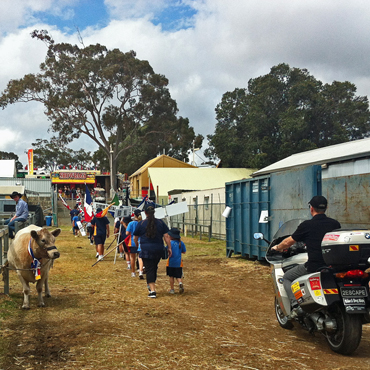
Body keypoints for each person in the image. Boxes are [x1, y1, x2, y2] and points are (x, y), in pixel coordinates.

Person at [272, 195, 341, 318]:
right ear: (326, 208)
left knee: (287, 277)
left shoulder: (307, 225)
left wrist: (277, 247)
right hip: (333, 265)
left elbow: (288, 242)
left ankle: (297, 307)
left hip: (315, 265)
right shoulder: (335, 224)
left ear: (311, 208)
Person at [133, 205, 172, 298]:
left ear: (145, 213)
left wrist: (137, 245)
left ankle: (152, 291)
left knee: (150, 268)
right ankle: (151, 284)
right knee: (154, 267)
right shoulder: (160, 222)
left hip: (146, 249)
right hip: (158, 249)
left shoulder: (141, 223)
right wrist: (169, 247)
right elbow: (166, 236)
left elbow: (135, 237)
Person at [166, 228, 186, 294]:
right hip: (179, 263)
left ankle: (172, 289)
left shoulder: (170, 243)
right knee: (178, 276)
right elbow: (184, 251)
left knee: (171, 276)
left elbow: (166, 250)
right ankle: (180, 283)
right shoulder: (181, 243)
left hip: (171, 263)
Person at [126, 209, 141, 277]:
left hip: (132, 242)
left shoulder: (131, 223)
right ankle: (140, 270)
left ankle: (133, 272)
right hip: (141, 242)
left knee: (132, 257)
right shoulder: (142, 223)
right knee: (140, 257)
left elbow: (127, 233)